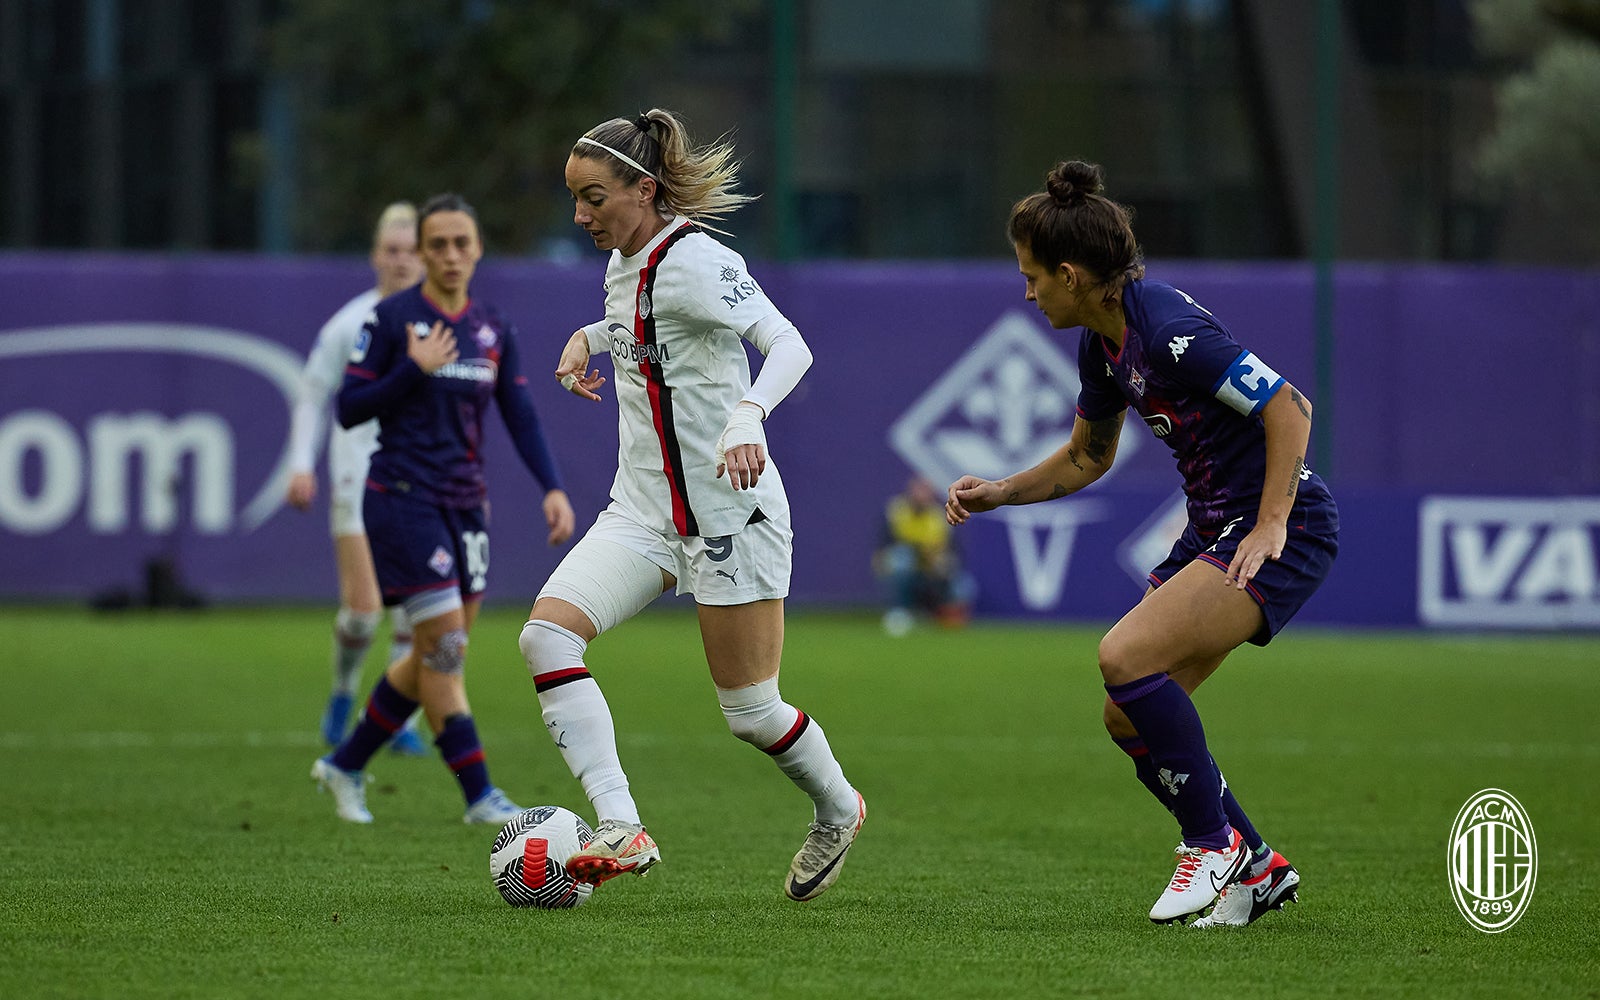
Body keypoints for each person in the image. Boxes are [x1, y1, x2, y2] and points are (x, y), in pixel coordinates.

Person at [945, 160, 1338, 926]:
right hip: (1212, 528)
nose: (1027, 294)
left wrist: (1270, 524)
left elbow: (1290, 406)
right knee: (1127, 716)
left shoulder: (1169, 333)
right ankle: (1255, 865)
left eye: (1032, 278)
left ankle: (1211, 846)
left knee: (1124, 658)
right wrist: (1000, 491)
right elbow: (1087, 456)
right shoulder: (1102, 343)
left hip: (1277, 528)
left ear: (1070, 274)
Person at [517, 108, 865, 902]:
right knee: (545, 640)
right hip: (640, 513)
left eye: (594, 198)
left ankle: (839, 807)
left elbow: (789, 345)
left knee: (750, 712)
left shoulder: (698, 260)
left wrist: (748, 416)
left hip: (728, 513)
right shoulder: (620, 257)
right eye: (574, 198)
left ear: (644, 190)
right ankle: (621, 824)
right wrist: (589, 337)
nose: (580, 215)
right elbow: (637, 321)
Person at [310, 192, 577, 825]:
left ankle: (345, 764)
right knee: (445, 648)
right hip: (402, 501)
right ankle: (480, 795)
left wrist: (553, 487)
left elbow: (520, 413)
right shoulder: (393, 319)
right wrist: (411, 368)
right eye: (439, 245)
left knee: (433, 652)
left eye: (463, 243)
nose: (452, 255)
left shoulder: (491, 327)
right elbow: (348, 407)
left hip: (465, 508)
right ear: (424, 252)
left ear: (478, 249)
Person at [285, 201, 428, 756]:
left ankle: (399, 720)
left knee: (419, 608)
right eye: (391, 251)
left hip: (417, 483)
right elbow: (312, 393)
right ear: (375, 256)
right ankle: (344, 691)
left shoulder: (442, 321)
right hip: (356, 481)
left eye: (410, 250)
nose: (401, 261)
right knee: (365, 611)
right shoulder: (351, 323)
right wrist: (300, 463)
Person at [873, 474, 975, 635]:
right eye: (919, 490)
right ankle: (900, 612)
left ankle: (945, 614)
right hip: (908, 564)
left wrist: (943, 561)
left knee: (965, 583)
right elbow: (884, 545)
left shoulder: (938, 515)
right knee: (901, 558)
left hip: (932, 566)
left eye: (926, 491)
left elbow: (953, 550)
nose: (922, 495)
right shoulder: (897, 511)